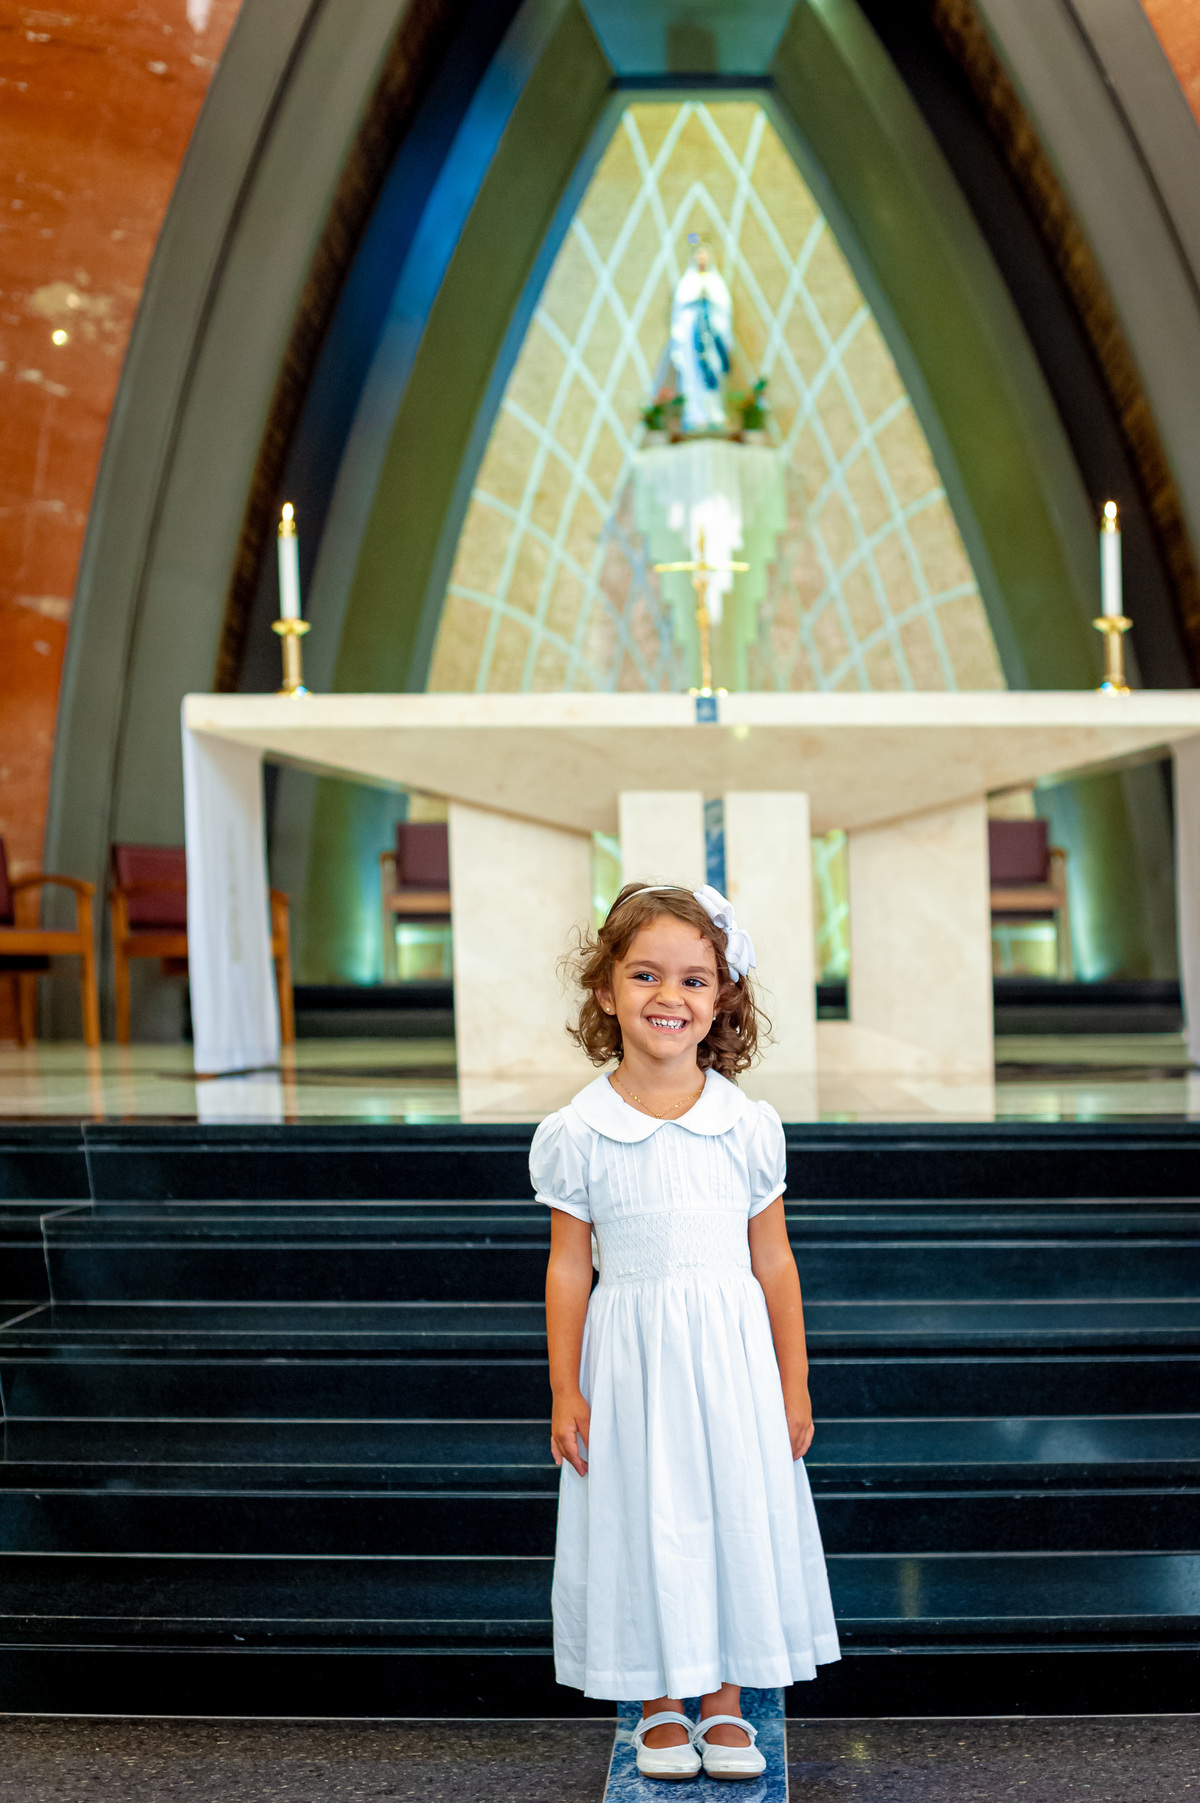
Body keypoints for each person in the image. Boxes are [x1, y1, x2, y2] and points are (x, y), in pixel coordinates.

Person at [533, 883, 839, 1782]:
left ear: (721, 999)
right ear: (604, 991)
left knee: (732, 1511)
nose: (670, 996)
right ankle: (660, 1699)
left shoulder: (747, 1127)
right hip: (630, 1362)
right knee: (643, 1516)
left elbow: (774, 1263)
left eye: (694, 979)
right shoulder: (577, 1132)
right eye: (645, 974)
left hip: (733, 1358)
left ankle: (726, 1702)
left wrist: (796, 1381)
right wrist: (564, 1386)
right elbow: (566, 1268)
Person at [669, 243, 733, 433]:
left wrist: (709, 297)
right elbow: (679, 311)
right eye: (699, 256)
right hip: (692, 341)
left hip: (711, 337)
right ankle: (695, 415)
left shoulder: (715, 282)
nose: (701, 260)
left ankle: (714, 414)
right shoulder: (687, 283)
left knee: (713, 369)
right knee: (693, 376)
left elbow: (724, 308)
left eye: (705, 256)